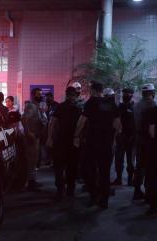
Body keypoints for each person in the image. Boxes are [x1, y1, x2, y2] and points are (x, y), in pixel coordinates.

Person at [73, 81, 121, 209]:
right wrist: (114, 140)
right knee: (105, 173)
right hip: (106, 144)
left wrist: (76, 136)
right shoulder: (111, 104)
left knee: (89, 171)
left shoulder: (91, 103)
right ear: (102, 90)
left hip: (92, 142)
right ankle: (104, 200)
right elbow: (118, 125)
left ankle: (93, 196)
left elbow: (82, 121)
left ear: (93, 91)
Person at [47, 87, 81, 199]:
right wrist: (50, 138)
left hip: (72, 142)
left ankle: (68, 189)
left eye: (73, 95)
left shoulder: (79, 108)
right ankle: (62, 190)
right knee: (60, 167)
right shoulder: (62, 107)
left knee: (70, 167)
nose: (72, 97)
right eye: (70, 95)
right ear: (67, 95)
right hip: (62, 141)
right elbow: (52, 122)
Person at [132, 83, 157, 200]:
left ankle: (137, 190)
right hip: (149, 139)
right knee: (150, 166)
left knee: (140, 165)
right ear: (152, 93)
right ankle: (149, 191)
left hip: (138, 138)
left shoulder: (136, 105)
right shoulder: (152, 105)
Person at [22, 88, 47, 191]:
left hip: (36, 136)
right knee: (31, 161)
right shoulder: (31, 106)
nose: (40, 96)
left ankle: (32, 181)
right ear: (33, 95)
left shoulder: (37, 107)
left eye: (41, 94)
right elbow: (24, 119)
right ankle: (29, 183)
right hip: (31, 137)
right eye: (38, 94)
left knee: (34, 160)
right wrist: (29, 132)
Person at [113, 88, 135, 186]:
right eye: (125, 93)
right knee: (119, 159)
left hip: (131, 137)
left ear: (132, 94)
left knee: (131, 160)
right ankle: (119, 178)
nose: (126, 95)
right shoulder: (119, 107)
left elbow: (136, 123)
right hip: (120, 136)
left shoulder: (134, 107)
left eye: (129, 93)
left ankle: (130, 180)